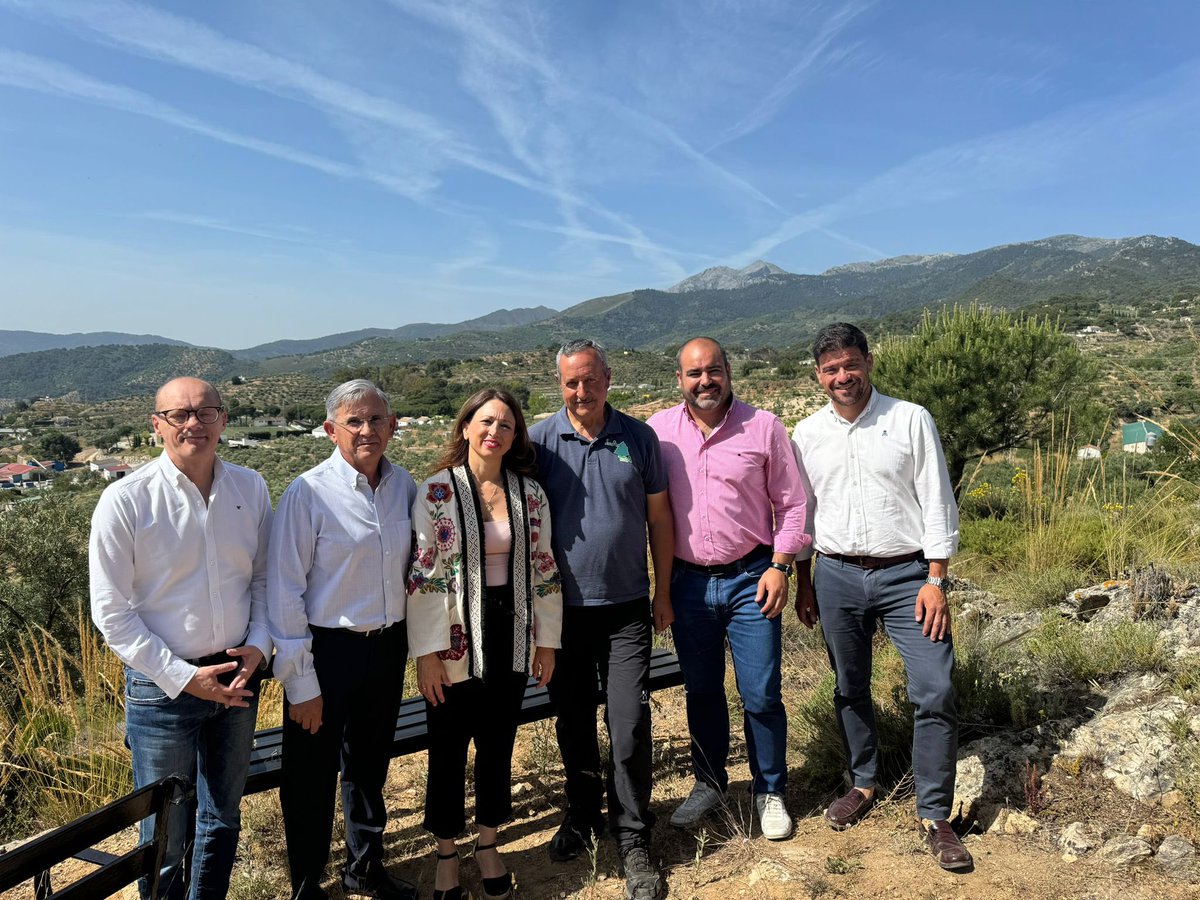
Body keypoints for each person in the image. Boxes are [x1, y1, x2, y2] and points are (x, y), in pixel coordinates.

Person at [791, 322, 971, 871]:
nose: (842, 376)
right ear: (818, 375)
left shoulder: (909, 419)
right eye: (830, 369)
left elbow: (937, 499)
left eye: (850, 364)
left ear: (868, 362)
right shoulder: (805, 433)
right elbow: (801, 512)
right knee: (850, 686)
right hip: (836, 574)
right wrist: (805, 581)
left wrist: (936, 580)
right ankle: (864, 782)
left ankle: (935, 814)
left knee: (935, 687)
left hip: (907, 576)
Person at [89, 377, 272, 900]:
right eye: (178, 414)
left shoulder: (251, 487)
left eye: (205, 411)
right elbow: (112, 613)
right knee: (165, 832)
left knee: (223, 818)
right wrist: (184, 678)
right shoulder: (125, 501)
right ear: (157, 425)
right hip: (162, 687)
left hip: (238, 675)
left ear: (223, 419)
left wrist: (258, 647)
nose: (193, 422)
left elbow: (261, 579)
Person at [529, 339, 674, 900]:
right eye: (571, 383)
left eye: (590, 380)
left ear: (608, 379)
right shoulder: (540, 440)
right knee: (571, 721)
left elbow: (659, 521)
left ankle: (633, 836)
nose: (581, 392)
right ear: (559, 384)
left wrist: (664, 590)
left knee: (629, 722)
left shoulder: (639, 438)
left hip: (627, 609)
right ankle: (582, 812)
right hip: (559, 615)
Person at [647, 337, 809, 840]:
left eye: (712, 370)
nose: (705, 381)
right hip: (688, 583)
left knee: (760, 693)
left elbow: (794, 504)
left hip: (751, 579)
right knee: (701, 691)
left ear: (728, 371)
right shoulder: (659, 433)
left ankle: (769, 790)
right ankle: (710, 782)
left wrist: (781, 566)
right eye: (693, 373)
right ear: (680, 380)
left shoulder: (764, 427)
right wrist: (661, 589)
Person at [407, 388, 563, 900]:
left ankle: (489, 844)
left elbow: (544, 569)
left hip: (511, 632)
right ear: (467, 426)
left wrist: (547, 643)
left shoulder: (530, 494)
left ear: (515, 436)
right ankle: (447, 854)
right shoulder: (435, 493)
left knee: (498, 742)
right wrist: (427, 655)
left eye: (507, 425)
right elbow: (424, 576)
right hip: (452, 637)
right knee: (448, 746)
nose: (495, 432)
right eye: (486, 421)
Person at [268, 380, 418, 899]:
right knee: (310, 776)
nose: (367, 430)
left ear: (392, 426)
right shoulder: (305, 494)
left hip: (387, 646)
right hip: (326, 651)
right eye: (354, 421)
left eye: (376, 419)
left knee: (369, 768)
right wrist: (300, 683)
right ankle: (307, 885)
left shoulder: (406, 487)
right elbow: (283, 591)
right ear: (331, 430)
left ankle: (365, 868)